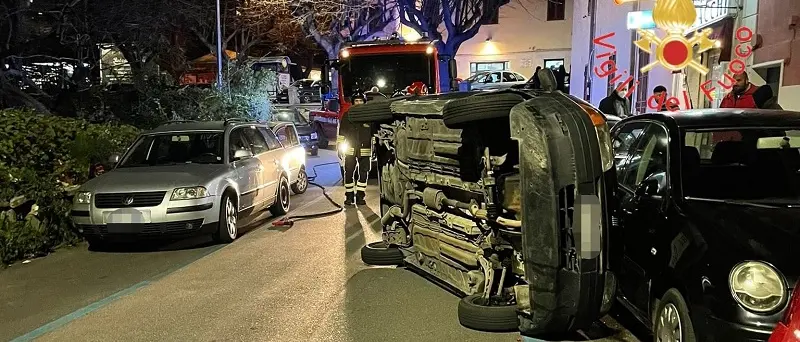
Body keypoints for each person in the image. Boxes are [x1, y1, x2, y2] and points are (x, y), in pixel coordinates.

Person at [337, 91, 372, 206]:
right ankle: (349, 196)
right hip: (350, 149)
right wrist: (339, 147)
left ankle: (360, 196)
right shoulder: (347, 116)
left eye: (361, 101)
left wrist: (375, 147)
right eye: (356, 101)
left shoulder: (369, 116)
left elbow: (374, 133)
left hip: (365, 149)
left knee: (363, 174)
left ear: (364, 102)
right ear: (353, 102)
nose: (358, 103)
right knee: (349, 173)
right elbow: (342, 133)